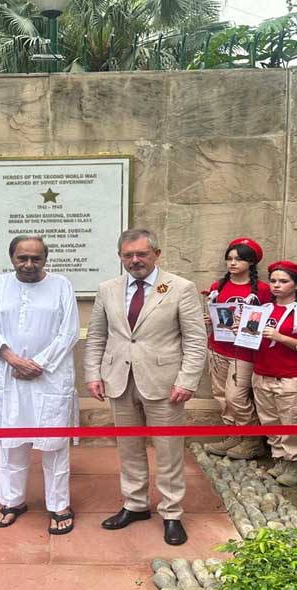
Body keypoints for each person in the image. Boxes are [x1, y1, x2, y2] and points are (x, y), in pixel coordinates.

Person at [84, 229, 207, 546]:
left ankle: (171, 512)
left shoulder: (180, 288)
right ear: (120, 257)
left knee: (168, 451)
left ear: (157, 254)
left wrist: (187, 380)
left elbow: (195, 339)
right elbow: (97, 335)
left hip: (165, 385)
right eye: (128, 255)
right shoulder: (108, 289)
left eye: (142, 254)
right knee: (129, 449)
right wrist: (93, 374)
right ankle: (135, 504)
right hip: (119, 380)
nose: (135, 260)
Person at [0, 235, 79, 536]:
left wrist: (38, 364)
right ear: (12, 258)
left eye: (36, 258)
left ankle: (59, 505)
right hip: (9, 376)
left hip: (51, 376)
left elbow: (69, 331)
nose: (29, 264)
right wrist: (13, 359)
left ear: (45, 259)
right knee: (11, 442)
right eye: (22, 258)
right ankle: (12, 501)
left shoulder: (61, 285)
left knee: (54, 443)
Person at [203, 238, 271, 460]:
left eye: (239, 259)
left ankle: (252, 440)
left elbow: (268, 320)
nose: (233, 263)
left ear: (251, 263)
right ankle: (233, 434)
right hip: (217, 347)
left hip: (244, 351)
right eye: (230, 259)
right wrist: (210, 319)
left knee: (236, 397)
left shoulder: (263, 290)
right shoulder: (217, 286)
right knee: (221, 395)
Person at [253, 261, 297, 487]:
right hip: (262, 371)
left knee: (294, 421)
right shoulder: (262, 309)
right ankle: (279, 457)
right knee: (270, 419)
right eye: (273, 281)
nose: (276, 285)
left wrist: (280, 337)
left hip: (291, 375)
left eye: (283, 281)